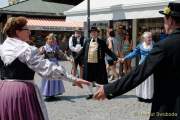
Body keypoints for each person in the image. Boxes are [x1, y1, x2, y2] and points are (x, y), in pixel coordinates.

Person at [94, 2, 180, 120]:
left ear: (170, 20)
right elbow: (134, 54)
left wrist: (108, 89)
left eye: (164, 19)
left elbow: (138, 73)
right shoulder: (154, 45)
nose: (164, 23)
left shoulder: (164, 46)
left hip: (169, 107)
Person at [0, 16, 90, 120]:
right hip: (21, 92)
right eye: (27, 29)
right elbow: (47, 68)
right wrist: (73, 78)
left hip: (3, 92)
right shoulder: (26, 50)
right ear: (18, 31)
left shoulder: (2, 48)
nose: (30, 32)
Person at [78, 26, 118, 99]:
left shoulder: (102, 42)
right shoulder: (87, 41)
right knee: (88, 79)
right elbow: (83, 51)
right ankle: (90, 93)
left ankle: (98, 93)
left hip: (99, 64)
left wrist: (115, 58)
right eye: (92, 32)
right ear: (90, 34)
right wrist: (76, 58)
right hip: (88, 63)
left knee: (100, 79)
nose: (93, 33)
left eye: (95, 32)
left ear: (97, 33)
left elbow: (108, 51)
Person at [121, 32, 154, 103]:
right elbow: (133, 54)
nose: (150, 39)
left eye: (151, 37)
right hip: (142, 66)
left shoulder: (154, 45)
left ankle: (149, 97)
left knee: (149, 81)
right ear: (144, 38)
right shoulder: (140, 46)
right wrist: (125, 58)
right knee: (141, 81)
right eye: (148, 37)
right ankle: (141, 96)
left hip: (151, 66)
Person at [39, 33, 65, 100]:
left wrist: (68, 58)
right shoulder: (44, 47)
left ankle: (54, 93)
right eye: (50, 39)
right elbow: (38, 54)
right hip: (48, 65)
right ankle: (48, 94)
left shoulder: (55, 47)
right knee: (48, 79)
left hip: (55, 64)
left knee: (55, 79)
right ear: (47, 39)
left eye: (53, 39)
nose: (51, 41)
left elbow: (61, 54)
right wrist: (41, 54)